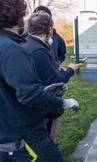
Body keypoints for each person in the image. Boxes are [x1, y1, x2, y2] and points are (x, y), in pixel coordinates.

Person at [0, 0, 79, 162]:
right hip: (24, 137)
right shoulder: (12, 50)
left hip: (0, 135)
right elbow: (30, 94)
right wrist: (61, 102)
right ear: (17, 17)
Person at [22, 13, 81, 143]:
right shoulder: (39, 51)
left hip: (30, 105)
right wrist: (71, 70)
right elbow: (55, 82)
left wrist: (54, 69)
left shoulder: (26, 44)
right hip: (43, 106)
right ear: (49, 29)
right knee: (48, 137)